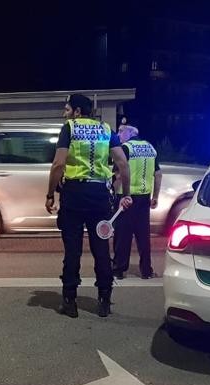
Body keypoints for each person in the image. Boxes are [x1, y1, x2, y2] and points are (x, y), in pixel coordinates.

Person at [45, 94, 131, 318]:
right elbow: (122, 163)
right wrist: (126, 193)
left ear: (77, 111)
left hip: (74, 193)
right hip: (100, 195)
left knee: (72, 249)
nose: (65, 113)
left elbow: (58, 164)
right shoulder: (106, 129)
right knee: (101, 248)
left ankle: (70, 301)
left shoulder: (69, 128)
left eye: (67, 109)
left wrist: (50, 193)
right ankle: (104, 299)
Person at [111, 124, 162, 280]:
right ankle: (146, 271)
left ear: (129, 133)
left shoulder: (125, 148)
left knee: (122, 236)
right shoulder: (150, 148)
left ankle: (119, 269)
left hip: (125, 198)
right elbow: (158, 174)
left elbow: (118, 175)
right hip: (144, 198)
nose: (119, 134)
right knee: (143, 236)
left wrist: (112, 190)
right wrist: (155, 197)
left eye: (121, 131)